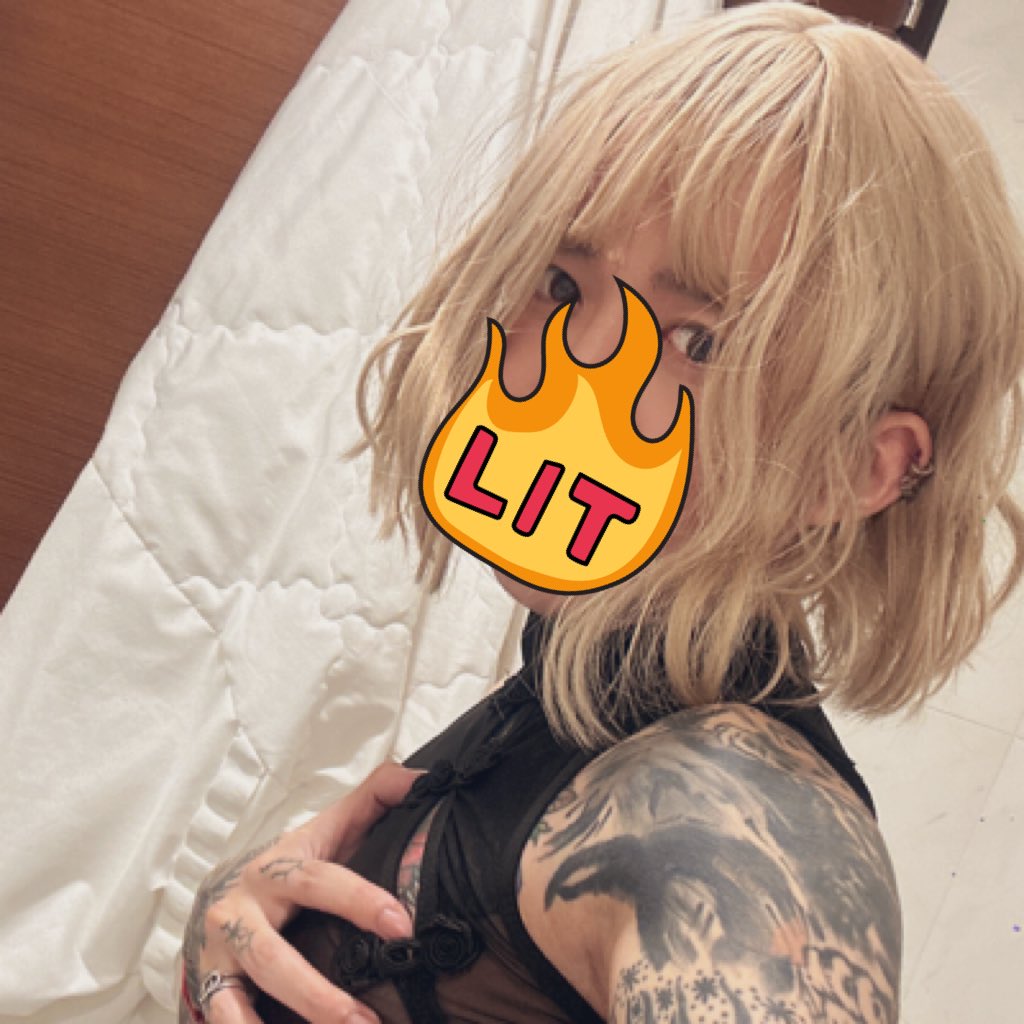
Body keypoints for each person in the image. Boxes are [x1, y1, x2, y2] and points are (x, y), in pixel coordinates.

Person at [179, 3, 1024, 1022]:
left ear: (853, 467)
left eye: (699, 341)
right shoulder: (583, 688)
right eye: (560, 281)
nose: (568, 373)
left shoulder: (732, 843)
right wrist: (225, 918)